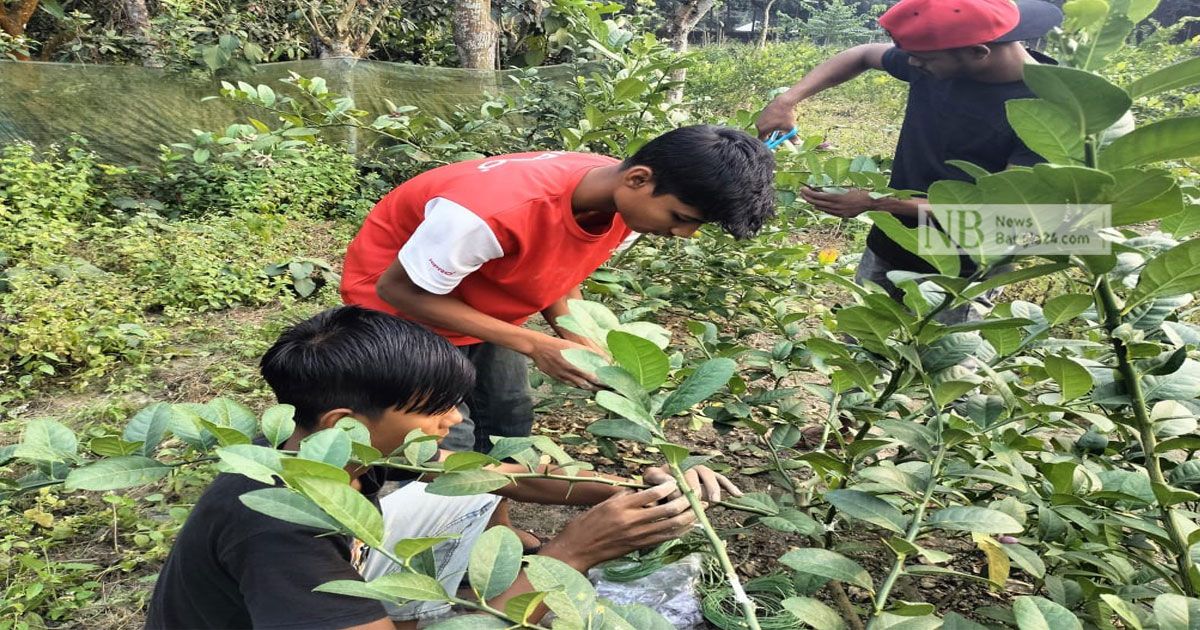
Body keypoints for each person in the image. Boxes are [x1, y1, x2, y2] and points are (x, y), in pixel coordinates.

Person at [145, 305, 740, 630]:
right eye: (431, 408)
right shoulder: (280, 530)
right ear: (344, 422)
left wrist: (641, 489)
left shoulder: (321, 449)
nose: (452, 416)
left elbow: (498, 475)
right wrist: (572, 557)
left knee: (462, 491)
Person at [340, 124, 775, 548]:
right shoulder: (487, 213)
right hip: (402, 311)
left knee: (508, 419)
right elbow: (397, 289)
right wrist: (534, 343)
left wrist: (573, 334)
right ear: (639, 179)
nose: (683, 233)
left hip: (479, 303)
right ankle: (435, 549)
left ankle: (495, 528)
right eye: (681, 218)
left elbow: (562, 265)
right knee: (442, 443)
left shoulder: (620, 203)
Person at [756, 0, 1064, 324]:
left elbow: (1002, 214)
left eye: (923, 58)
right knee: (863, 351)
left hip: (962, 271)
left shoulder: (1050, 112)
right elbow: (861, 55)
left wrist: (877, 204)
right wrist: (786, 100)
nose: (911, 62)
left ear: (978, 52)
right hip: (891, 244)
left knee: (934, 366)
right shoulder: (938, 60)